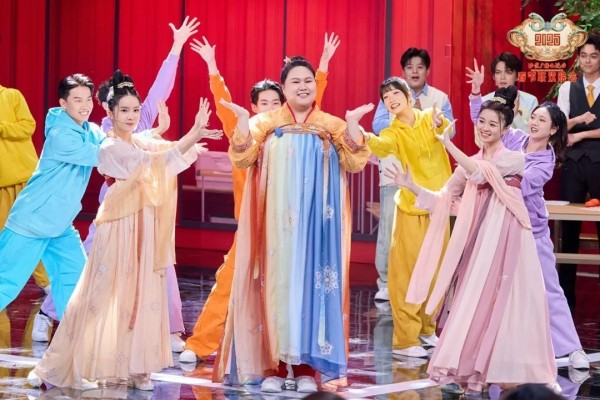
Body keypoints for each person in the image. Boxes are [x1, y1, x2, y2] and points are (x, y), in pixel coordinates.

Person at [29, 70, 223, 391]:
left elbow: (162, 149)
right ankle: (58, 364)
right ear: (110, 112)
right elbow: (156, 162)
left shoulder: (137, 140)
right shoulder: (110, 147)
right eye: (124, 111)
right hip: (118, 226)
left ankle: (137, 368)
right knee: (98, 295)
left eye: (135, 110)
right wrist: (192, 133)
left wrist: (189, 136)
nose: (132, 116)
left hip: (142, 224)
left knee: (141, 294)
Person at [30, 17, 200, 351]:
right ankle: (50, 313)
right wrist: (156, 135)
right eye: (121, 103)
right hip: (118, 198)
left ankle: (169, 329)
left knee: (159, 258)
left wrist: (176, 48)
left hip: (147, 196)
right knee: (93, 262)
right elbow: (124, 151)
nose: (131, 111)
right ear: (109, 107)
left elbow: (160, 90)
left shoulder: (141, 117)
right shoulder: (102, 129)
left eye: (133, 103)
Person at [179, 33, 339, 364]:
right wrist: (212, 66)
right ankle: (199, 344)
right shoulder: (246, 130)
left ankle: (284, 355)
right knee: (228, 283)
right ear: (253, 107)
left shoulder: (292, 130)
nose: (269, 107)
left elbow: (314, 99)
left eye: (274, 102)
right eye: (262, 103)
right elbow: (223, 103)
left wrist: (323, 65)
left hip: (289, 227)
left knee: (287, 290)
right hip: (252, 225)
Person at [385, 86, 557, 393]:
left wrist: (448, 144)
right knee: (475, 300)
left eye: (493, 124)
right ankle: (475, 371)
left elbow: (480, 172)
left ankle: (503, 369)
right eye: (482, 122)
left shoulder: (514, 159)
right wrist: (410, 185)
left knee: (506, 303)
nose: (485, 128)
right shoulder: (471, 161)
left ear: (505, 129)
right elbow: (443, 197)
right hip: (480, 239)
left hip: (509, 239)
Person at [214, 56, 371, 392]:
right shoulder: (265, 123)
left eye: (308, 81)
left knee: (310, 289)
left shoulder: (330, 124)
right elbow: (242, 156)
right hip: (273, 228)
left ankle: (304, 370)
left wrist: (353, 125)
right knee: (276, 287)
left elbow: (355, 161)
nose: (303, 87)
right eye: (295, 82)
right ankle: (273, 367)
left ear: (316, 86)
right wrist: (241, 122)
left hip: (315, 229)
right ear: (284, 88)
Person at [469, 67, 591, 370]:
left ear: (553, 129)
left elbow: (523, 185)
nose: (534, 122)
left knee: (550, 289)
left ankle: (571, 349)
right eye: (534, 117)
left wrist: (500, 171)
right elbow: (486, 126)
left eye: (542, 120)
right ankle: (495, 346)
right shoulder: (516, 139)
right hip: (502, 227)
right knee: (499, 288)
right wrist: (476, 94)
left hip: (531, 231)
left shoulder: (546, 159)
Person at [0, 74, 104, 319]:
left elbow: (112, 142)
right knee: (5, 283)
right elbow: (105, 155)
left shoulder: (89, 130)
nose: (85, 106)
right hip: (31, 221)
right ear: (63, 103)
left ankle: (73, 338)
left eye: (88, 99)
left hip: (59, 224)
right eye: (77, 100)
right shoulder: (61, 135)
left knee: (76, 282)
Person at [365, 77, 452, 358]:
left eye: (395, 93)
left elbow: (445, 128)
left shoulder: (428, 118)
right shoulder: (393, 131)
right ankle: (405, 340)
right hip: (411, 207)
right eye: (386, 97)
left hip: (439, 205)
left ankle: (427, 328)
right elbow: (381, 146)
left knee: (436, 271)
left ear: (408, 96)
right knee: (408, 273)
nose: (391, 99)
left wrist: (440, 123)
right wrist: (360, 133)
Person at [371, 49, 454, 308]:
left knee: (434, 234)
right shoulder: (390, 95)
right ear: (403, 71)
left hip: (432, 181)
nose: (415, 71)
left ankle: (431, 286)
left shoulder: (439, 98)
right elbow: (378, 127)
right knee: (390, 230)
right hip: (397, 174)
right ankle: (386, 283)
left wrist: (434, 120)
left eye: (419, 66)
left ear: (427, 70)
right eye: (409, 67)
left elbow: (450, 129)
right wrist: (404, 114)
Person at [556, 35, 600, 311]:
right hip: (573, 164)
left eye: (593, 56)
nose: (587, 61)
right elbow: (560, 125)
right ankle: (565, 304)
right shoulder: (567, 88)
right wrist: (577, 124)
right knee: (567, 232)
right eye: (583, 56)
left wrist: (581, 135)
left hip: (598, 163)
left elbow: (572, 133)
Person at [468, 53, 538, 132]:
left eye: (508, 72)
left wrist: (515, 115)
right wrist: (476, 88)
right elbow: (479, 130)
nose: (502, 77)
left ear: (517, 76)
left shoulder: (530, 101)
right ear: (494, 77)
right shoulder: (485, 101)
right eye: (498, 72)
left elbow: (533, 134)